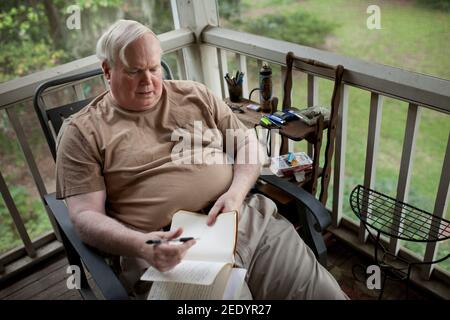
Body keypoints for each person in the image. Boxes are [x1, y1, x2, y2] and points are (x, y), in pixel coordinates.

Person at [55, 19, 348, 300]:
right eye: (134, 71)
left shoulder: (194, 95)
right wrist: (142, 246)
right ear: (107, 70)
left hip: (244, 219)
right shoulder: (82, 132)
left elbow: (248, 145)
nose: (148, 81)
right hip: (170, 251)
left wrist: (235, 195)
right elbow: (85, 217)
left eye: (154, 68)